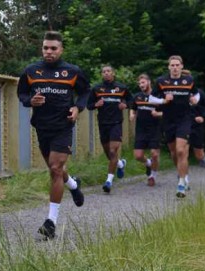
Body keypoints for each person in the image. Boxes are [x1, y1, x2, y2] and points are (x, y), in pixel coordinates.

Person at [17, 31, 88, 240]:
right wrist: (31, 101)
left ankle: (51, 222)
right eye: (46, 48)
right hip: (42, 127)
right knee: (54, 169)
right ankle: (74, 185)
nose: (49, 52)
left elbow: (85, 92)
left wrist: (77, 108)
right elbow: (21, 93)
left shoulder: (72, 71)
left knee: (56, 168)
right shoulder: (31, 71)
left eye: (53, 48)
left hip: (63, 126)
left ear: (61, 50)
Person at [152, 56, 200, 197]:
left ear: (181, 66)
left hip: (184, 119)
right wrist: (163, 100)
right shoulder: (162, 81)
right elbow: (151, 98)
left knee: (180, 151)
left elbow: (196, 94)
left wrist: (194, 100)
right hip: (168, 120)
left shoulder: (189, 81)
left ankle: (181, 184)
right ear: (168, 67)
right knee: (174, 153)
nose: (174, 67)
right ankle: (183, 175)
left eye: (177, 65)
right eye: (172, 65)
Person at [87, 65, 133, 193]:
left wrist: (125, 105)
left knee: (113, 151)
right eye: (104, 72)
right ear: (102, 74)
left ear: (113, 73)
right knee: (108, 153)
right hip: (103, 123)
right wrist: (96, 104)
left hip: (116, 123)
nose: (106, 73)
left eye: (108, 71)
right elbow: (89, 105)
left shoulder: (121, 88)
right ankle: (120, 164)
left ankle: (108, 182)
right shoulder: (96, 89)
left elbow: (132, 100)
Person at [129, 74, 163, 186]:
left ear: (149, 82)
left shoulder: (157, 96)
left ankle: (152, 176)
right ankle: (148, 163)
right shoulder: (137, 97)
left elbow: (166, 112)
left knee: (154, 154)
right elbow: (133, 108)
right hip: (141, 129)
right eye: (139, 83)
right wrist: (132, 115)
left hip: (155, 129)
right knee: (138, 156)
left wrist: (157, 113)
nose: (141, 85)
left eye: (143, 82)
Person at [181, 71, 205, 167]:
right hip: (183, 124)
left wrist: (203, 117)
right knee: (183, 149)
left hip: (196, 124)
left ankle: (202, 159)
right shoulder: (175, 94)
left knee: (198, 152)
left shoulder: (199, 93)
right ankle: (183, 171)